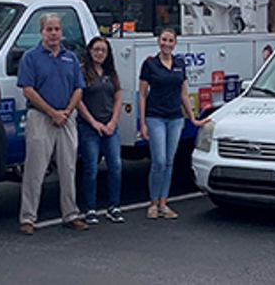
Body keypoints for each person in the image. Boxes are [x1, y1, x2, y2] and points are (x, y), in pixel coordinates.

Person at [17, 13, 89, 234]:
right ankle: (28, 218)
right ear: (41, 32)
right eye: (49, 29)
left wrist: (66, 111)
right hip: (40, 117)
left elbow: (78, 87)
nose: (53, 33)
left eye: (57, 29)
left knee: (68, 168)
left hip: (66, 118)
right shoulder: (30, 57)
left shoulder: (71, 58)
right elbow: (28, 90)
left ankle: (71, 214)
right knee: (35, 169)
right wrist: (51, 112)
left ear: (62, 32)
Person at [138, 27, 208, 220]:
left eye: (170, 40)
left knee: (169, 161)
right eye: (164, 40)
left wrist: (192, 118)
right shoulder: (150, 65)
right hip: (155, 117)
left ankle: (163, 203)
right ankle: (152, 203)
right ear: (158, 41)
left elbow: (184, 94)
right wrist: (143, 123)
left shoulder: (180, 63)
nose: (166, 44)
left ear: (175, 43)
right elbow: (142, 95)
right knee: (158, 160)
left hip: (175, 118)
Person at [77, 36, 124, 224]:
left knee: (116, 166)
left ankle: (114, 206)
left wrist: (113, 122)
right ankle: (90, 208)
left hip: (110, 126)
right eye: (96, 49)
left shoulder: (111, 73)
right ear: (89, 51)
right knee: (91, 168)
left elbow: (118, 98)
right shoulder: (82, 72)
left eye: (103, 50)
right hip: (89, 127)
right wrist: (93, 122)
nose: (99, 53)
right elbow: (78, 100)